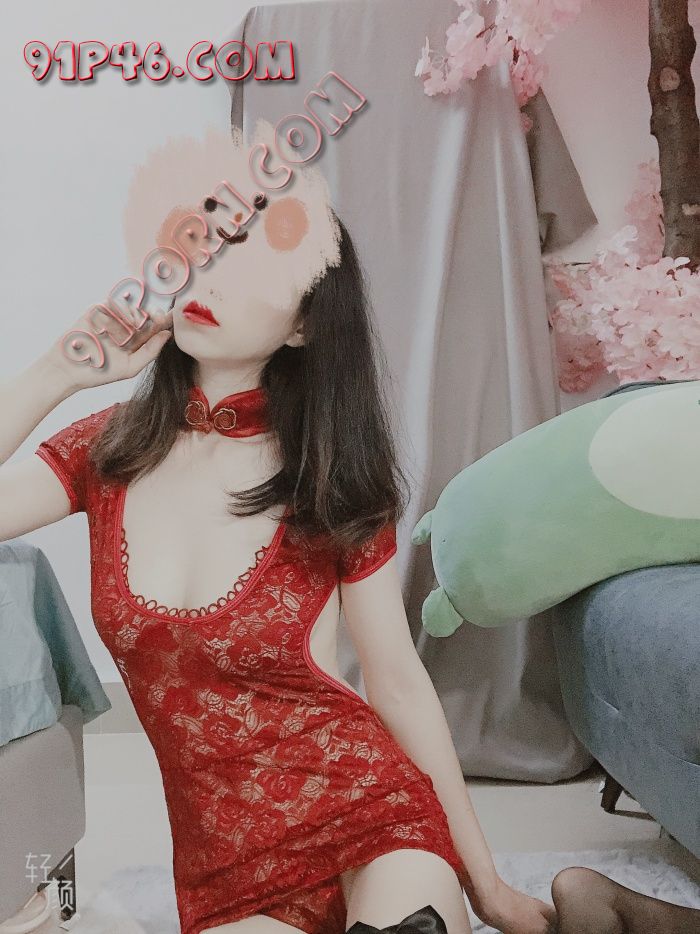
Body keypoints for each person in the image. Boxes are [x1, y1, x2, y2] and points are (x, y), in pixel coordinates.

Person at [1, 207, 696, 934]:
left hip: (369, 813)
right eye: (204, 254)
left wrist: (485, 882)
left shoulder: (330, 478)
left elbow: (397, 683)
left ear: (304, 325)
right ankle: (599, 915)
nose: (210, 279)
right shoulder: (107, 452)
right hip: (228, 870)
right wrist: (60, 371)